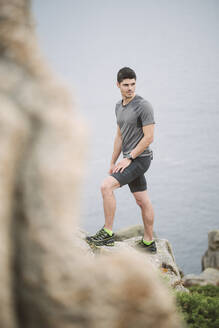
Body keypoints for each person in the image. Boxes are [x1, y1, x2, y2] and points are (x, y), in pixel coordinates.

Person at [86, 67, 156, 253]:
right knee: (142, 200)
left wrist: (129, 158)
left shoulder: (144, 106)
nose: (130, 88)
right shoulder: (119, 106)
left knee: (106, 186)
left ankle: (107, 233)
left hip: (141, 159)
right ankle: (149, 242)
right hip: (128, 159)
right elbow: (119, 136)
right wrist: (113, 161)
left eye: (133, 84)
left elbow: (149, 137)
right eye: (126, 85)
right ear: (118, 85)